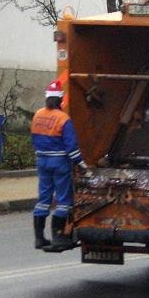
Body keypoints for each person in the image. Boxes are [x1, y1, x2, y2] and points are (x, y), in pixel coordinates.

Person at [31, 79, 88, 251]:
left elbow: (34, 138)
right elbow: (71, 147)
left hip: (42, 160)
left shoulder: (38, 115)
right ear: (61, 100)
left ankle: (39, 239)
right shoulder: (63, 119)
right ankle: (58, 237)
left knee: (43, 199)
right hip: (60, 163)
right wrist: (82, 165)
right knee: (64, 201)